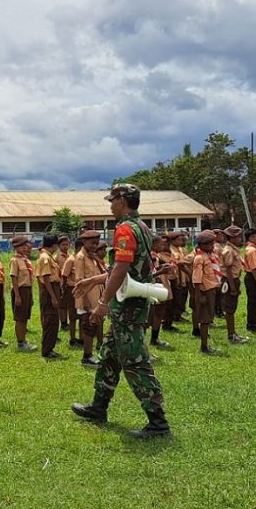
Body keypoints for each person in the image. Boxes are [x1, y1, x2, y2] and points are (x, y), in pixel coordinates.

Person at [71, 184, 171, 439]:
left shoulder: (125, 229)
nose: (110, 205)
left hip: (126, 306)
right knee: (109, 358)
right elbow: (129, 268)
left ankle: (158, 423)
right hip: (130, 302)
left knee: (136, 363)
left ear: (123, 201)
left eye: (112, 201)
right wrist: (92, 281)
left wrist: (102, 302)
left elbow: (122, 269)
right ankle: (98, 407)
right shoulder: (143, 227)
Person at [71, 230, 106, 367]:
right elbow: (79, 279)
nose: (94, 246)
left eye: (96, 243)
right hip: (86, 299)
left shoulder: (92, 257)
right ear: (84, 242)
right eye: (92, 243)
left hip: (95, 299)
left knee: (93, 326)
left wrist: (96, 259)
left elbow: (103, 274)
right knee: (88, 327)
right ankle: (87, 356)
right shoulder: (80, 257)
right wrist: (84, 301)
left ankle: (90, 355)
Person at [191, 230, 221, 354]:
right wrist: (199, 295)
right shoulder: (199, 258)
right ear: (202, 245)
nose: (212, 246)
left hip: (211, 289)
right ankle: (204, 346)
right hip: (205, 291)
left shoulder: (209, 256)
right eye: (209, 244)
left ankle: (205, 344)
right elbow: (197, 278)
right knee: (205, 319)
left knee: (208, 317)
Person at [34, 234, 63, 360]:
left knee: (53, 320)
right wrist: (53, 297)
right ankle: (47, 350)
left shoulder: (48, 257)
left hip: (53, 288)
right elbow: (46, 278)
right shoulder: (45, 258)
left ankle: (50, 348)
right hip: (49, 289)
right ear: (54, 245)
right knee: (50, 320)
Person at [220, 225, 249, 344]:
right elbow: (228, 271)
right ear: (231, 238)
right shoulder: (229, 251)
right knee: (230, 309)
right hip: (229, 280)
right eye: (237, 237)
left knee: (232, 308)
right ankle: (231, 334)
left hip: (234, 280)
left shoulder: (234, 249)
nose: (240, 239)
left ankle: (233, 333)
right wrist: (232, 287)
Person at [9, 235, 37, 352]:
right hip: (20, 290)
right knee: (20, 318)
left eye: (27, 245)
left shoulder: (25, 260)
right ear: (17, 247)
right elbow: (14, 278)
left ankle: (24, 340)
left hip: (27, 289)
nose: (26, 248)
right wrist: (18, 296)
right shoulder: (15, 261)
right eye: (23, 246)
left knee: (25, 317)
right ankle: (20, 343)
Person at [147, 234, 174, 349]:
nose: (162, 246)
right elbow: (149, 274)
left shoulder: (156, 257)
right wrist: (162, 271)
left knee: (159, 312)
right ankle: (154, 337)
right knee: (157, 313)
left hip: (161, 284)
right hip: (155, 286)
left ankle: (155, 336)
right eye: (160, 244)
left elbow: (154, 270)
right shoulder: (151, 257)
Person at [60, 238, 82, 347]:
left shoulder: (83, 259)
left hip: (82, 290)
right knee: (73, 316)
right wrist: (63, 290)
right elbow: (64, 276)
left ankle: (82, 338)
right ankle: (72, 339)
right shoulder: (71, 260)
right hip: (72, 289)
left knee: (82, 315)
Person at [55, 236, 73, 332]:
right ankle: (63, 322)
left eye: (67, 244)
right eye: (63, 245)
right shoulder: (57, 257)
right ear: (59, 246)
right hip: (61, 282)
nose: (65, 247)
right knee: (62, 304)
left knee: (69, 303)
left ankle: (70, 321)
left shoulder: (71, 256)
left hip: (70, 283)